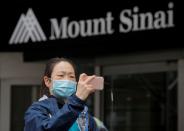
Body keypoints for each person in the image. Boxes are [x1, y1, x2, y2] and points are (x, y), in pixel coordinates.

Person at [24, 57, 108, 131]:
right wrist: (77, 100)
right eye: (61, 75)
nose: (67, 80)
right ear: (48, 81)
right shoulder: (36, 110)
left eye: (71, 76)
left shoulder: (83, 114)